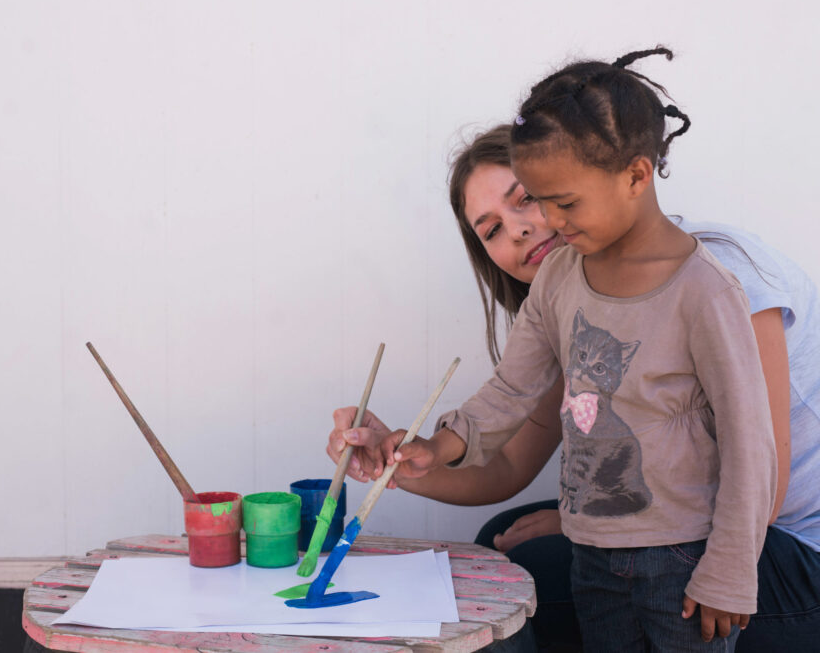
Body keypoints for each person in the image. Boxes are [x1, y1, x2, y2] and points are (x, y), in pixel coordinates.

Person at [329, 47, 783, 652]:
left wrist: (729, 569)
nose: (542, 221)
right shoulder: (561, 279)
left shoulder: (707, 288)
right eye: (532, 204)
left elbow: (751, 440)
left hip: (684, 554)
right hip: (595, 554)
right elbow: (512, 391)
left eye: (557, 202)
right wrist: (433, 446)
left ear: (636, 176)